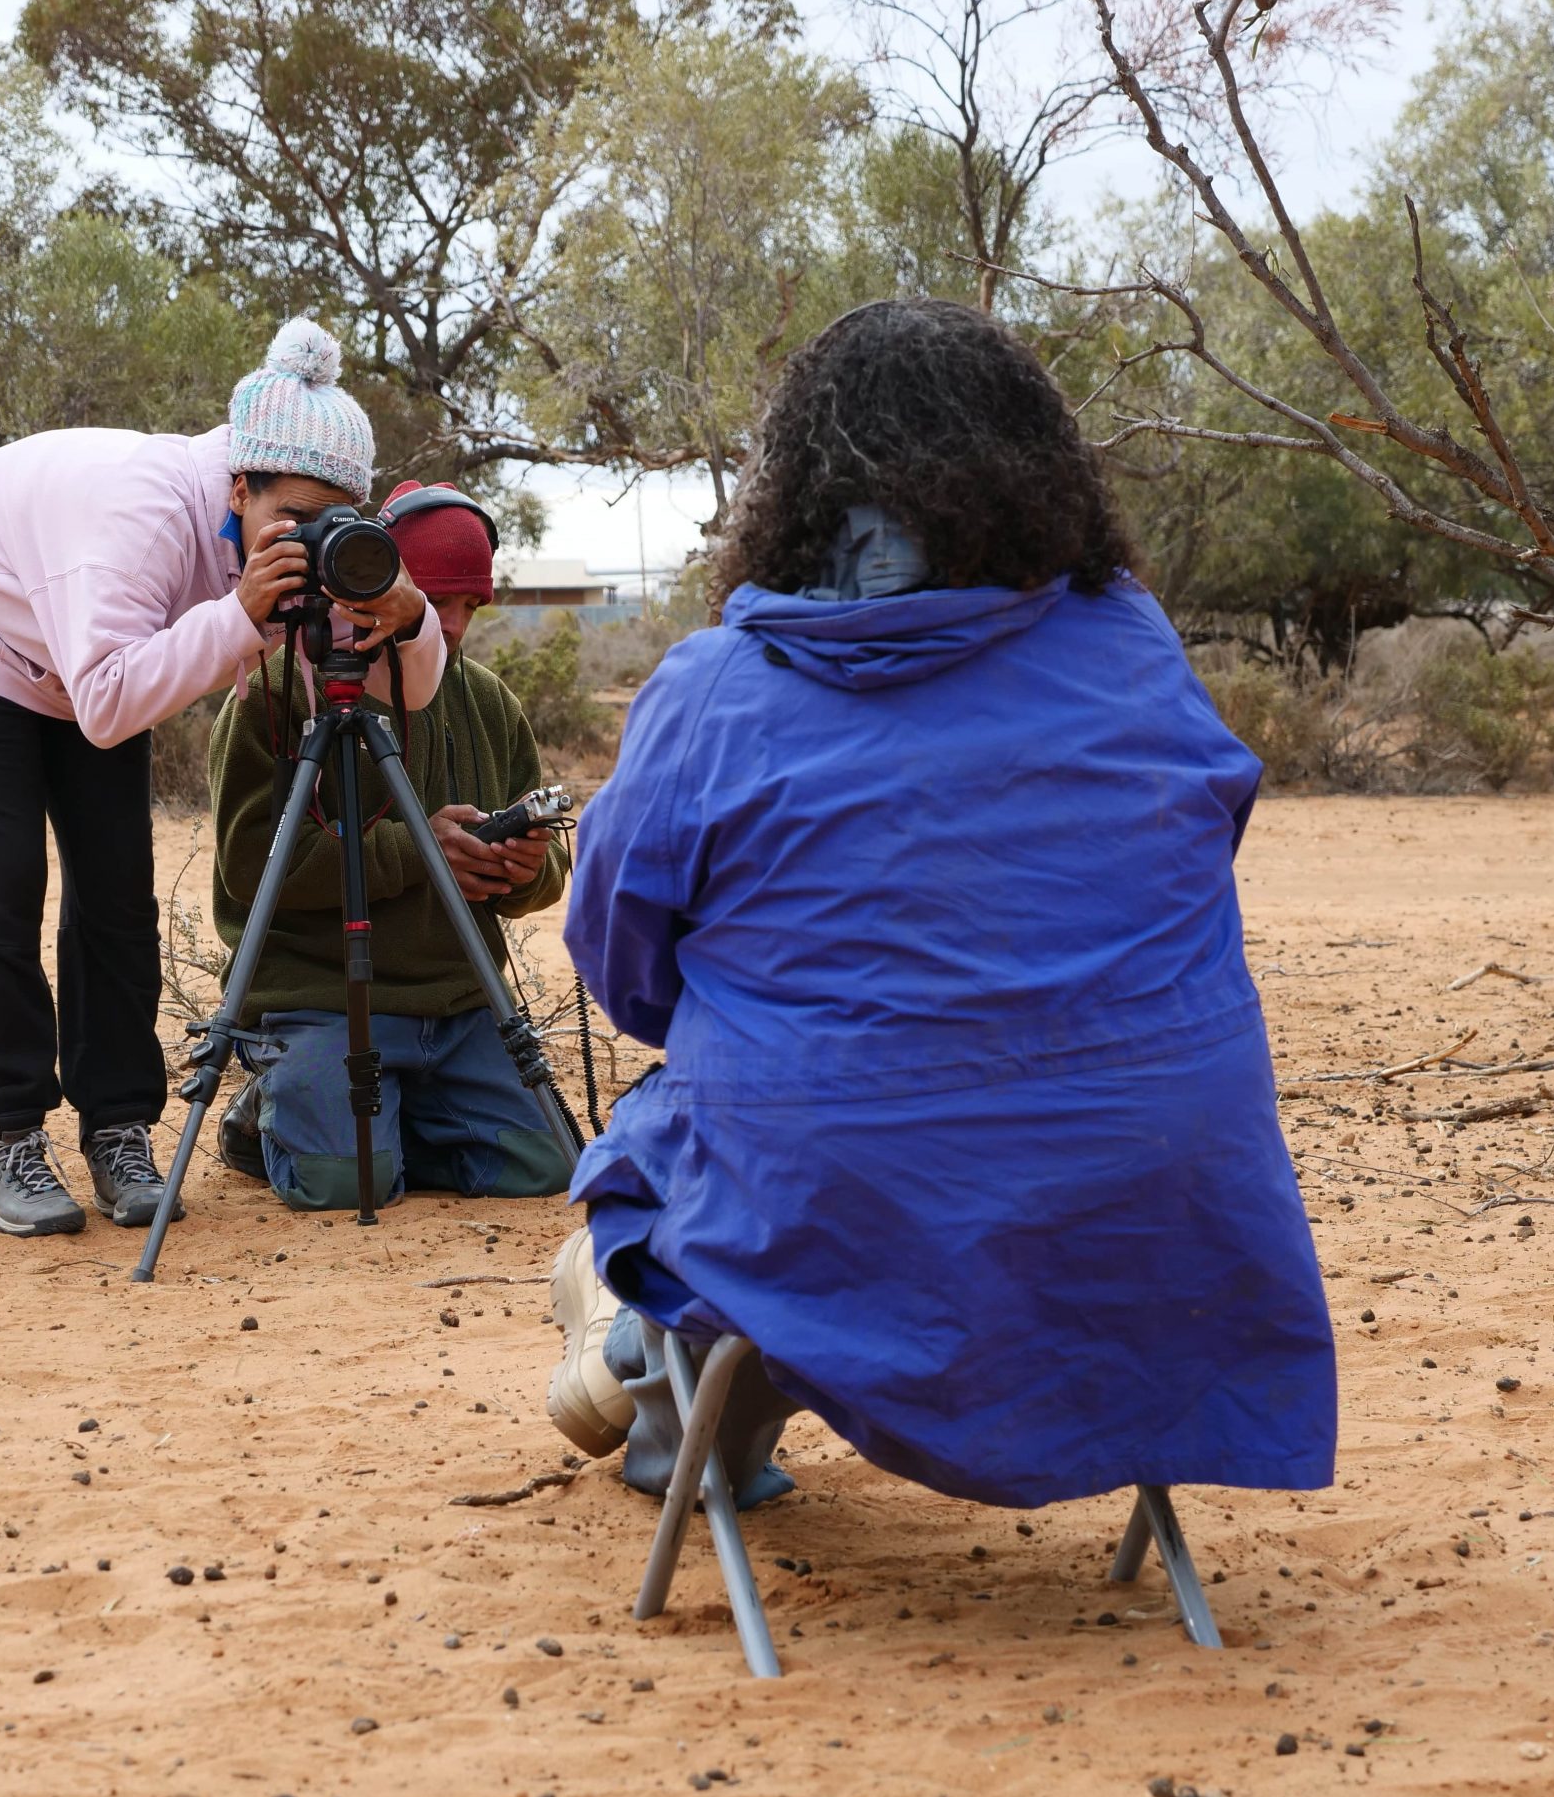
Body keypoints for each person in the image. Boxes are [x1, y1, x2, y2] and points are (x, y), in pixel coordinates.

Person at [543, 297, 1337, 1515]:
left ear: (796, 492)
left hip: (838, 1207)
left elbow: (624, 967)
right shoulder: (1130, 646)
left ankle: (661, 1408)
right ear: (1035, 474)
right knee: (849, 1142)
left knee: (690, 1157)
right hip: (1156, 1211)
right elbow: (1199, 848)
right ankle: (658, 1384)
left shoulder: (716, 691)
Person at [0, 319, 445, 1238]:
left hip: (89, 656)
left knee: (115, 889)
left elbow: (404, 689)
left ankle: (117, 1129)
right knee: (3, 877)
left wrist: (406, 613)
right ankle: (10, 1133)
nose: (303, 541)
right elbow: (107, 704)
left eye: (329, 521)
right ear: (236, 489)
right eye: (286, 521)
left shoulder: (303, 538)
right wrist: (240, 614)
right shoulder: (138, 520)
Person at [206, 479, 576, 1212]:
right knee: (345, 1186)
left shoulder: (488, 702)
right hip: (322, 1000)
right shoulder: (281, 690)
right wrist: (420, 852)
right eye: (437, 601)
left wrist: (526, 869)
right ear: (371, 575)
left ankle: (382, 1123)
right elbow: (251, 866)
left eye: (471, 605)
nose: (456, 624)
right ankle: (265, 1117)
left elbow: (544, 877)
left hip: (458, 1003)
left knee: (546, 1165)